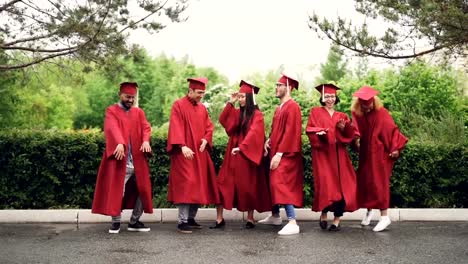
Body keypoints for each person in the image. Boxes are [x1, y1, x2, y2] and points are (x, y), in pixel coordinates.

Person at [92, 82, 153, 234]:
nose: (130, 100)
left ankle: (134, 221)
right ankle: (116, 222)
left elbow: (146, 127)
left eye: (132, 97)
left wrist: (145, 140)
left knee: (143, 190)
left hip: (137, 160)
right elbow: (111, 127)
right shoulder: (111, 111)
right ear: (120, 95)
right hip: (121, 162)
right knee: (117, 191)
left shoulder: (138, 113)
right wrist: (119, 142)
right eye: (127, 96)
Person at [211, 80, 271, 230]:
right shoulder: (238, 113)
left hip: (246, 155)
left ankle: (250, 218)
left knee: (248, 186)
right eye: (239, 97)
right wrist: (230, 103)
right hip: (233, 153)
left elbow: (254, 133)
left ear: (250, 98)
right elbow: (224, 121)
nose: (241, 99)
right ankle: (219, 219)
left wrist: (242, 148)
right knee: (223, 184)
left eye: (243, 97)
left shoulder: (257, 115)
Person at [167, 77, 220, 234]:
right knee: (187, 184)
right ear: (190, 91)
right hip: (184, 154)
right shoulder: (178, 105)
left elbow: (209, 127)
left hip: (200, 154)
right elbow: (175, 126)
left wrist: (205, 139)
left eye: (203, 93)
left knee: (199, 184)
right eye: (199, 92)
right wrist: (182, 146)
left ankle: (191, 218)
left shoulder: (203, 108)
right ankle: (182, 221)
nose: (201, 95)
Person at [351, 86, 408, 232]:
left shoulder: (381, 113)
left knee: (379, 183)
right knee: (366, 182)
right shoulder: (357, 113)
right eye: (364, 106)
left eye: (369, 105)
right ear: (359, 104)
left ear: (374, 102)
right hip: (365, 154)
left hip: (380, 154)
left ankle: (384, 216)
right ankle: (369, 212)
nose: (367, 108)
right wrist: (354, 140)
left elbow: (392, 130)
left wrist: (395, 148)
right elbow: (355, 131)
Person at [306, 84, 358, 231]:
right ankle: (323, 213)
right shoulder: (315, 112)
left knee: (342, 187)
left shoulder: (342, 116)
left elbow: (349, 135)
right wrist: (319, 133)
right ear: (322, 97)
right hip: (323, 155)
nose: (330, 99)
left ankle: (336, 220)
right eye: (327, 96)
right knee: (326, 185)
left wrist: (344, 129)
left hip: (339, 155)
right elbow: (309, 128)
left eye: (332, 96)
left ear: (336, 98)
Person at [258, 73, 304, 236]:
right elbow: (278, 130)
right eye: (276, 85)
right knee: (273, 183)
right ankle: (276, 215)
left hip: (286, 154)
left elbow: (291, 132)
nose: (276, 88)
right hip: (276, 151)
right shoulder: (280, 108)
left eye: (279, 85)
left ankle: (292, 221)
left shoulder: (293, 106)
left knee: (281, 183)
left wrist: (279, 153)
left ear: (289, 87)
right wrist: (268, 140)